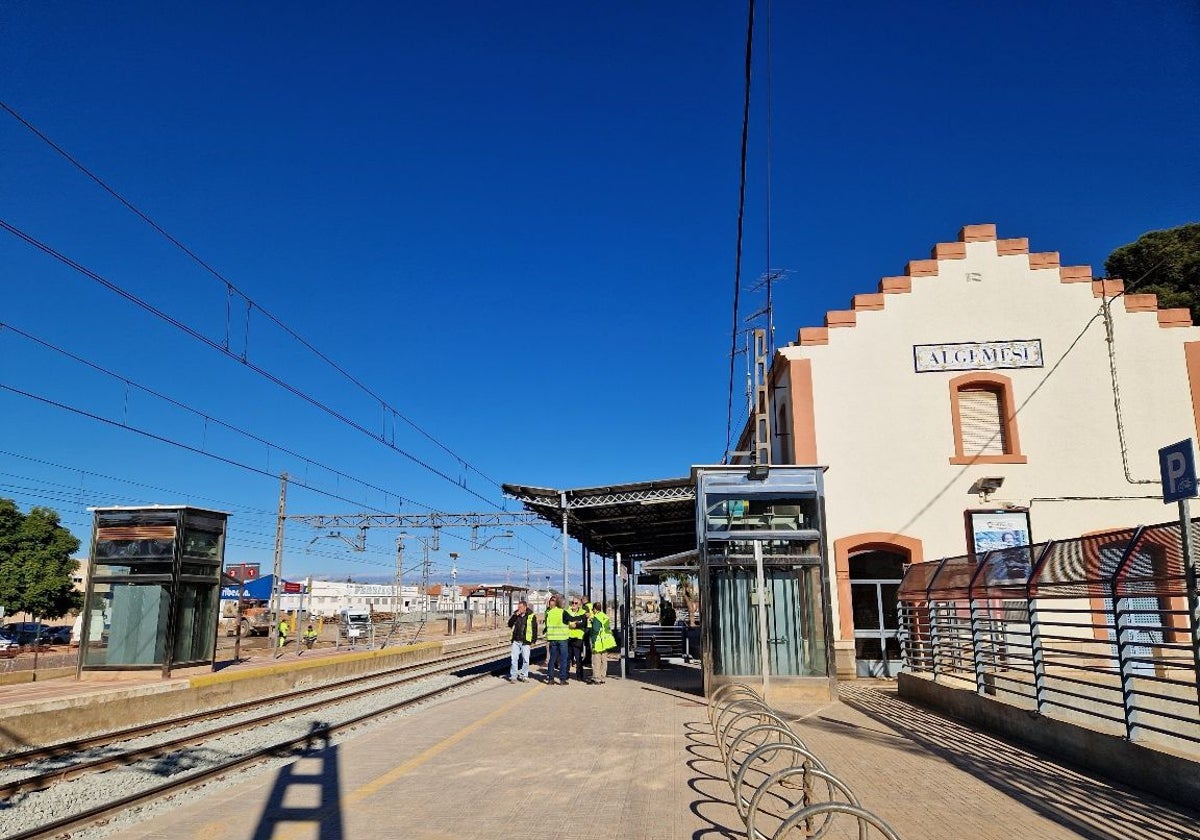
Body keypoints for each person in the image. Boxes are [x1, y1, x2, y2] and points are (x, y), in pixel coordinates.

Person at [506, 599, 538, 681]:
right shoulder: (516, 615)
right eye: (518, 607)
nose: (519, 609)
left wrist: (534, 640)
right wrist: (515, 616)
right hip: (516, 640)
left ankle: (524, 675)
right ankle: (513, 676)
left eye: (520, 607)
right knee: (514, 659)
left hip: (525, 641)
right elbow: (509, 624)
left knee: (526, 660)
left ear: (525, 607)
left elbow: (534, 628)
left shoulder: (531, 616)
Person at [543, 595, 571, 685]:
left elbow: (547, 625)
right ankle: (562, 679)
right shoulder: (562, 612)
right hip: (562, 638)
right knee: (563, 659)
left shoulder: (549, 613)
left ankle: (550, 679)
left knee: (552, 659)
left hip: (552, 639)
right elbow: (571, 620)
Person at [588, 602, 617, 684]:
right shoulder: (604, 616)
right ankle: (602, 677)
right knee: (604, 661)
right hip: (605, 642)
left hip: (598, 642)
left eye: (592, 609)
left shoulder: (597, 617)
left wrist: (592, 639)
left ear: (594, 609)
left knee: (596, 661)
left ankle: (596, 678)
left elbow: (596, 630)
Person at [565, 597, 589, 683]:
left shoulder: (583, 612)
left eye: (575, 603)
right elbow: (565, 622)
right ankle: (566, 675)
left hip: (578, 639)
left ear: (579, 604)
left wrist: (575, 625)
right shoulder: (568, 611)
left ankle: (579, 676)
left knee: (578, 658)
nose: (573, 604)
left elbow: (584, 623)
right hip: (569, 638)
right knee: (567, 658)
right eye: (572, 602)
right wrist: (574, 623)